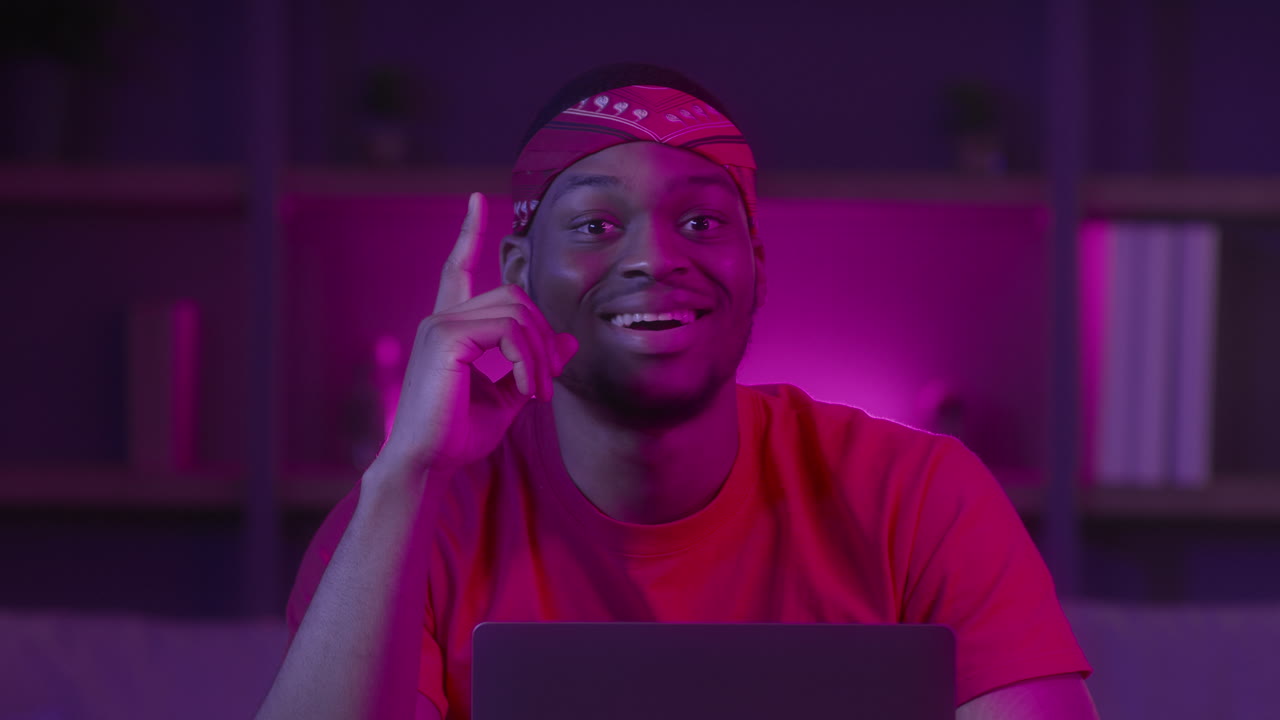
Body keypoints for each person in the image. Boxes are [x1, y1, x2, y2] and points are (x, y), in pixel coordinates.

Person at [257, 63, 1097, 720]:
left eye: (701, 221)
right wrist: (405, 476)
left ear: (757, 268)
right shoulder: (405, 520)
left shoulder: (918, 497)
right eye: (594, 225)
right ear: (517, 275)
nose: (655, 257)